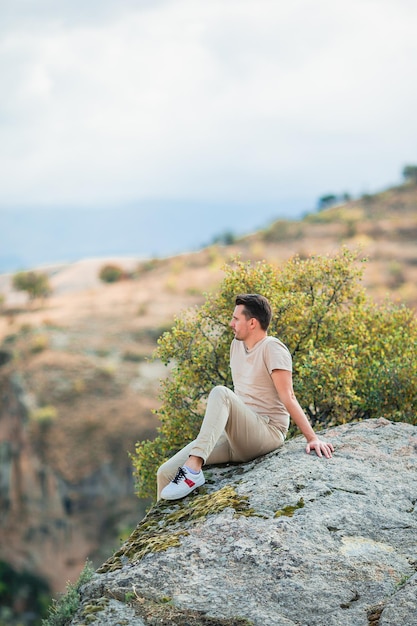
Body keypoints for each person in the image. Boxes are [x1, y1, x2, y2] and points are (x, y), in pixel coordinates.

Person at [158, 293, 334, 500]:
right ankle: (161, 532)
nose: (231, 323)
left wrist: (312, 438)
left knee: (221, 393)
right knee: (166, 472)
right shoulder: (236, 345)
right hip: (237, 435)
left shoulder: (272, 348)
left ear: (252, 323)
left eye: (236, 319)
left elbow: (289, 396)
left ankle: (193, 470)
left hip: (266, 432)